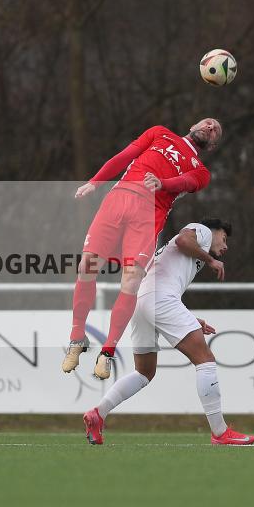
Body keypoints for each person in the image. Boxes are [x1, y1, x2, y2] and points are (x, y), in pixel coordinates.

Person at [63, 120, 222, 381]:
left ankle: (108, 351)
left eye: (215, 129)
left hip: (149, 214)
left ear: (212, 144)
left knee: (131, 281)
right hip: (118, 200)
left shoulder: (201, 171)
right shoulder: (160, 133)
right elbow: (126, 155)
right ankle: (76, 338)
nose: (210, 126)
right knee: (87, 268)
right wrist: (96, 181)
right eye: (208, 122)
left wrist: (163, 183)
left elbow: (184, 182)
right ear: (194, 124)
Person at [82, 218, 254, 446]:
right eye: (224, 238)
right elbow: (184, 240)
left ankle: (98, 413)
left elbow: (164, 284)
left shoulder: (190, 252)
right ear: (213, 231)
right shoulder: (202, 232)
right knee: (205, 360)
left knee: (144, 372)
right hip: (158, 300)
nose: (225, 246)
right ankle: (220, 432)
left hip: (140, 302)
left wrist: (192, 319)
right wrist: (211, 260)